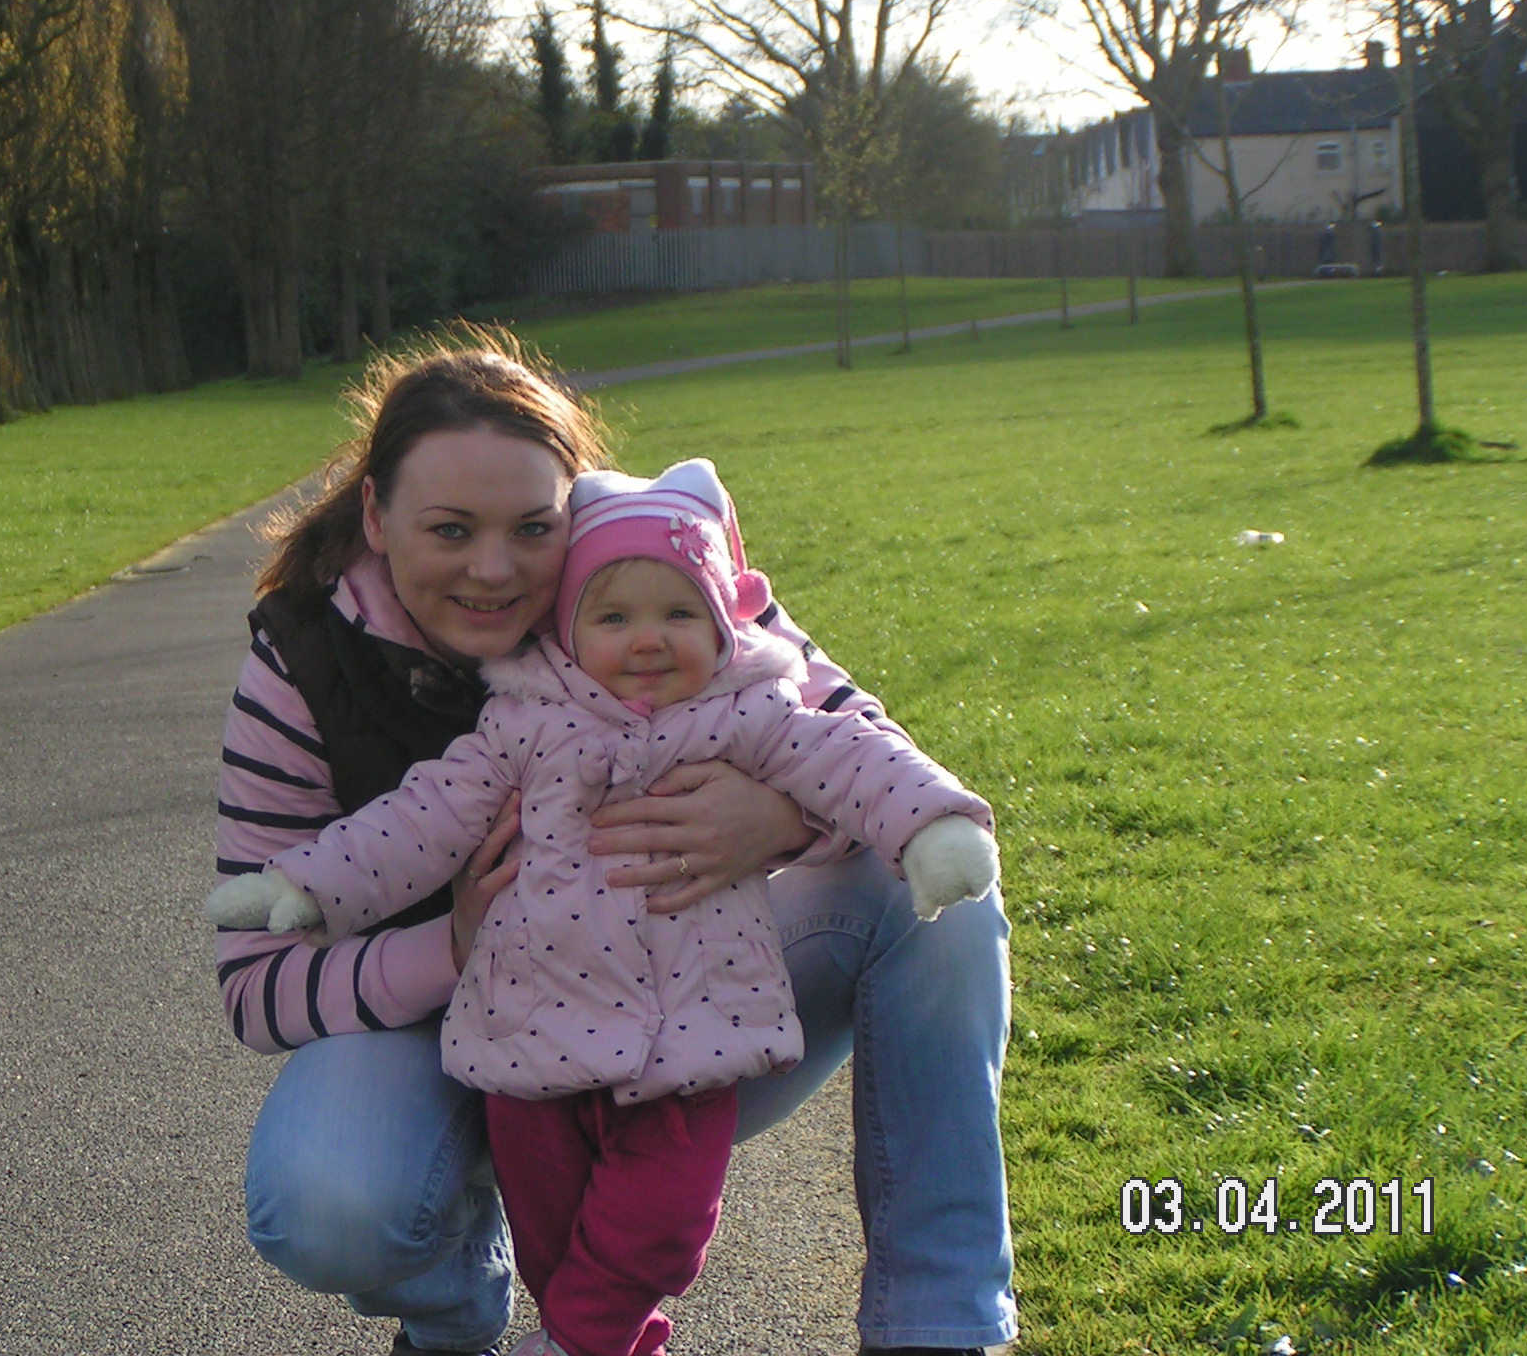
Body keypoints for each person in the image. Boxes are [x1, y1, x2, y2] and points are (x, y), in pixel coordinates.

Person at [211, 332, 1017, 1356]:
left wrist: (783, 818)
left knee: (932, 894)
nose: (493, 569)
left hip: (680, 1006)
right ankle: (453, 1312)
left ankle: (937, 1326)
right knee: (328, 1202)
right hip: (438, 1039)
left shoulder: (655, 572)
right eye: (449, 530)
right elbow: (257, 985)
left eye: (531, 528)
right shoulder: (302, 664)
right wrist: (451, 947)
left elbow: (867, 751)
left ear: (576, 511)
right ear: (376, 514)